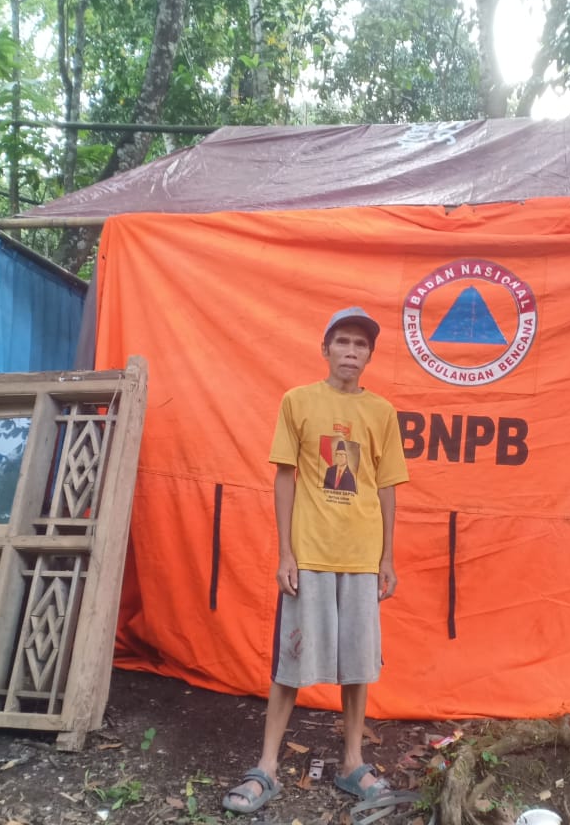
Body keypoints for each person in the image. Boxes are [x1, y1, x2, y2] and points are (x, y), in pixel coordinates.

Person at [222, 307, 409, 814]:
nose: (352, 352)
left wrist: (387, 556)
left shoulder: (383, 413)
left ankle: (352, 763)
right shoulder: (298, 402)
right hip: (310, 554)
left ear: (370, 355)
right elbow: (285, 478)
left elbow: (387, 486)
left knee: (358, 663)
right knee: (291, 659)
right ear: (325, 348)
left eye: (361, 345)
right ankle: (266, 767)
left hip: (362, 554)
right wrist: (286, 551)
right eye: (343, 342)